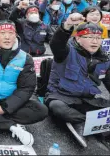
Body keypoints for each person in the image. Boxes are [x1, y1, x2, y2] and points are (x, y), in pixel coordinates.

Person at [46, 15, 110, 147]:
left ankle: (84, 122)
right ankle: (84, 123)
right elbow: (56, 43)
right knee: (58, 108)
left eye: (98, 38)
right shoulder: (65, 51)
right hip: (61, 96)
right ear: (78, 39)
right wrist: (67, 25)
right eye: (90, 37)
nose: (95, 41)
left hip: (87, 100)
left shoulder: (104, 59)